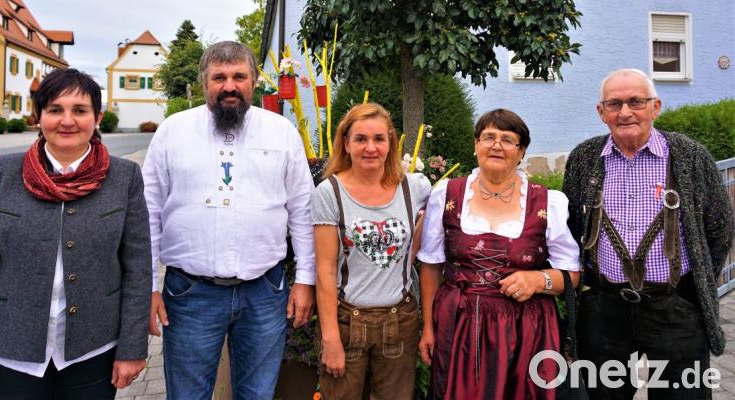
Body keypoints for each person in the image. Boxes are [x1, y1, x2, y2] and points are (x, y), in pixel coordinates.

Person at [0, 68, 151, 400]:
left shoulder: (124, 177)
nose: (67, 120)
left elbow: (138, 269)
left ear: (97, 117)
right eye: (55, 109)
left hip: (92, 351)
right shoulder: (0, 174)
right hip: (10, 353)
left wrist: (132, 348)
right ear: (38, 116)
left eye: (79, 110)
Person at [143, 41, 316, 399]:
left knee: (257, 394)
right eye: (219, 77)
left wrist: (305, 280)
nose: (230, 85)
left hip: (264, 291)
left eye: (239, 76)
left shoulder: (281, 133)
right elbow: (148, 212)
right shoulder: (172, 133)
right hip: (190, 294)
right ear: (204, 81)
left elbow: (302, 208)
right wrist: (150, 286)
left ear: (254, 81)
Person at [563, 68, 733, 399]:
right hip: (603, 308)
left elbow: (720, 228)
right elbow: (572, 226)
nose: (625, 112)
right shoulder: (584, 158)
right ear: (601, 113)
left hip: (674, 307)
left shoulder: (691, 156)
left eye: (636, 102)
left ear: (655, 107)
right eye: (614, 104)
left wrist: (695, 289)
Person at [417, 109, 581, 399]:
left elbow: (571, 275)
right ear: (476, 145)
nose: (496, 145)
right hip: (460, 324)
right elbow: (431, 265)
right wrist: (428, 328)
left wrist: (537, 280)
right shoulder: (447, 195)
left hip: (527, 327)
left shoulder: (547, 202)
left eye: (507, 139)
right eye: (488, 137)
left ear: (522, 152)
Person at [312, 103, 431, 399]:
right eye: (361, 139)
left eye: (379, 139)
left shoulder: (415, 187)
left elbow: (431, 234)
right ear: (346, 144)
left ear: (390, 143)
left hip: (399, 320)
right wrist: (330, 338)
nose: (370, 148)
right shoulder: (330, 192)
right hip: (346, 320)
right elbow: (325, 271)